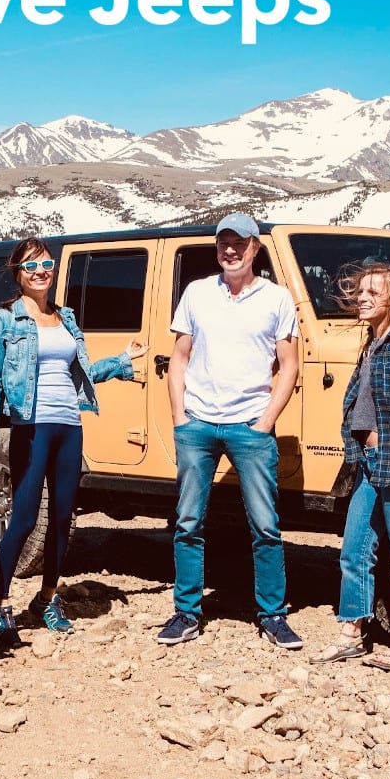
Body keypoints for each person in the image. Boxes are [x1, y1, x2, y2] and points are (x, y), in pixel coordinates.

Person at [0, 237, 148, 645]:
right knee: (26, 517)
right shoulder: (5, 319)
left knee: (64, 517)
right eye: (31, 266)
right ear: (17, 272)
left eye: (46, 264)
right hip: (31, 426)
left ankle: (48, 597)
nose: (40, 272)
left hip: (70, 425)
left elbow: (80, 374)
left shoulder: (66, 318)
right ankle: (1, 603)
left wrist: (121, 362)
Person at [158, 212, 303, 650]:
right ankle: (186, 612)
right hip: (198, 424)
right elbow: (179, 357)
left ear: (256, 248)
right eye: (224, 242)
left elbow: (289, 366)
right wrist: (181, 418)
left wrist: (265, 423)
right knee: (187, 522)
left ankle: (273, 615)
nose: (231, 250)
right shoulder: (198, 293)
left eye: (240, 242)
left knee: (265, 525)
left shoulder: (277, 299)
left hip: (250, 425)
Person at [310, 262, 390, 670]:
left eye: (373, 293)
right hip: (368, 462)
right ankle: (352, 633)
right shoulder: (372, 341)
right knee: (354, 550)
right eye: (360, 292)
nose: (362, 298)